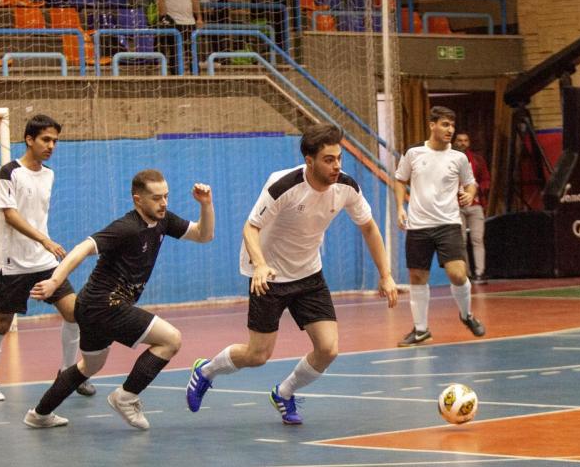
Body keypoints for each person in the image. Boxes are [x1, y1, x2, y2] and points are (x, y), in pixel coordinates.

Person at [185, 124, 397, 425]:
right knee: (258, 355)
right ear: (309, 161)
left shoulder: (346, 186)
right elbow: (250, 228)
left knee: (328, 349)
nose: (337, 166)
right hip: (268, 276)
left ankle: (284, 393)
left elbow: (369, 227)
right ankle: (205, 371)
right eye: (328, 160)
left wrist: (385, 274)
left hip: (308, 273)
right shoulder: (282, 185)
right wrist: (260, 265)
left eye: (339, 158)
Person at [24, 170, 214, 430]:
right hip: (106, 303)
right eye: (156, 198)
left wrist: (206, 205)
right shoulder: (127, 227)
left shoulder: (164, 220)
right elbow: (82, 248)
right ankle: (126, 397)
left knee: (90, 365)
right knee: (171, 340)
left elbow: (204, 235)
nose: (163, 203)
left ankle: (39, 414)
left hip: (90, 306)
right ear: (138, 200)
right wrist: (55, 282)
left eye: (166, 196)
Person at [0, 115, 94, 402]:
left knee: (75, 313)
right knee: (2, 323)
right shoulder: (9, 172)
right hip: (12, 264)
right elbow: (10, 214)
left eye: (55, 141)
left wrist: (43, 245)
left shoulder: (49, 174)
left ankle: (68, 375)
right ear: (29, 139)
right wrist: (44, 239)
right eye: (46, 139)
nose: (51, 145)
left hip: (44, 262)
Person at [394, 106, 484, 346]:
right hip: (418, 226)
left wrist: (469, 194)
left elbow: (471, 183)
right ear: (432, 125)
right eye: (445, 124)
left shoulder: (459, 158)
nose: (450, 130)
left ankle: (466, 314)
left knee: (458, 274)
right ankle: (421, 330)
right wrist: (400, 208)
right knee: (417, 276)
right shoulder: (413, 152)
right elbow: (400, 179)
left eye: (452, 125)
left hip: (448, 224)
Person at [452, 131, 491, 285]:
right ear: (455, 142)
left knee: (477, 239)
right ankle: (466, 273)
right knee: (461, 241)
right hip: (456, 206)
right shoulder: (448, 160)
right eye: (459, 140)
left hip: (475, 205)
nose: (462, 143)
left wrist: (479, 189)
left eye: (465, 140)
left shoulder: (477, 160)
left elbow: (486, 179)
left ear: (469, 143)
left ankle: (480, 273)